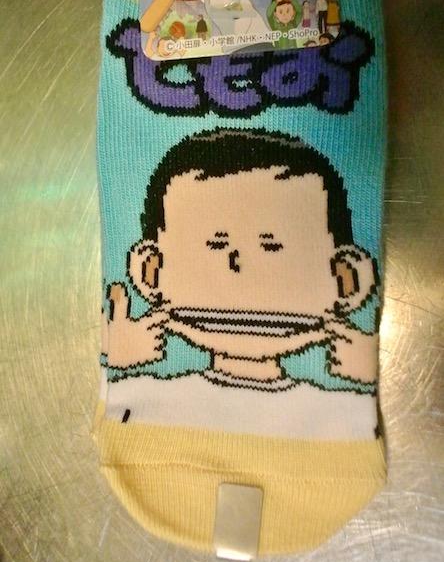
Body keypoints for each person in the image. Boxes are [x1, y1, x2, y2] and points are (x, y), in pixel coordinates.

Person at [106, 128, 378, 392]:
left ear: (346, 280)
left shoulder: (336, 405)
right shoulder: (153, 394)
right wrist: (125, 363)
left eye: (271, 246)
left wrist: (359, 376)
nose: (238, 263)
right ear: (150, 272)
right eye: (217, 244)